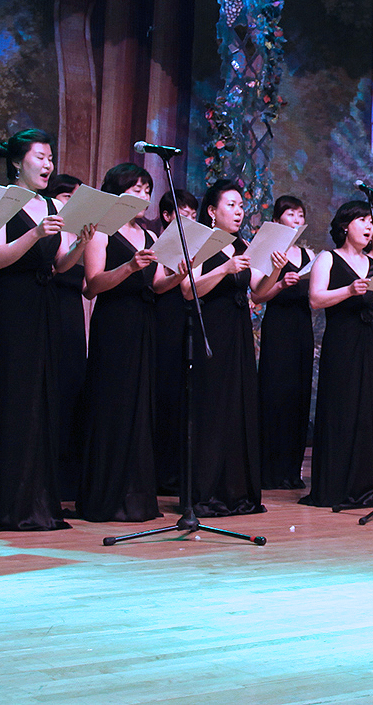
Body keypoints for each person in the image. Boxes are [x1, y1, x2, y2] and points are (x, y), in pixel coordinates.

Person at [0, 128, 84, 531]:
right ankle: (7, 503)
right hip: (11, 306)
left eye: (50, 158)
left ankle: (39, 500)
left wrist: (80, 243)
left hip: (45, 304)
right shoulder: (1, 201)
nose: (47, 164)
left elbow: (59, 264)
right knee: (13, 397)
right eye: (39, 157)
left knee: (43, 397)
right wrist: (36, 232)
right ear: (17, 162)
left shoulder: (52, 203)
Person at [173, 178, 264, 516]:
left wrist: (275, 271)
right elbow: (188, 289)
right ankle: (205, 491)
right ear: (212, 211)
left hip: (239, 333)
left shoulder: (243, 245)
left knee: (238, 405)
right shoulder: (202, 242)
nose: (239, 211)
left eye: (241, 206)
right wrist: (225, 268)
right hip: (210, 330)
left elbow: (259, 290)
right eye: (231, 205)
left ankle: (236, 491)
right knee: (211, 407)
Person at [77, 162, 162, 523]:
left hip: (145, 323)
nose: (143, 196)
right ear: (116, 192)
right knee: (112, 404)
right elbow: (92, 285)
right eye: (136, 189)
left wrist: (180, 272)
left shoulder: (151, 236)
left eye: (147, 190)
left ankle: (137, 496)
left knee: (141, 407)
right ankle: (106, 497)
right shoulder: (102, 231)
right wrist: (128, 267)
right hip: (115, 324)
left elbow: (157, 284)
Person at [302, 200, 373, 509]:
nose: (368, 227)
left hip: (371, 340)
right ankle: (334, 485)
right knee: (341, 407)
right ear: (344, 226)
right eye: (362, 220)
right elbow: (315, 299)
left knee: (368, 409)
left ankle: (364, 485)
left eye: (371, 222)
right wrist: (349, 290)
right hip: (342, 341)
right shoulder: (328, 258)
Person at [252, 195, 316, 489]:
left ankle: (292, 470)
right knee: (275, 393)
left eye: (300, 215)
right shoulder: (268, 250)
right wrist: (279, 283)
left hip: (303, 327)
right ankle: (269, 470)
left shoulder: (308, 254)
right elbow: (258, 296)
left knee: (298, 395)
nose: (297, 220)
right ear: (277, 220)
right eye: (291, 214)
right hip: (278, 328)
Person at [43, 171, 89, 504]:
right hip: (48, 309)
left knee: (73, 390)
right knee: (51, 389)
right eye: (66, 198)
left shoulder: (77, 234)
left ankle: (68, 480)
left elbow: (87, 285)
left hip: (73, 316)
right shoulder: (49, 230)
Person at [151, 189, 197, 496]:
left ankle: (177, 471)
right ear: (166, 216)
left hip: (186, 317)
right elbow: (159, 285)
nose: (189, 219)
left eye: (193, 214)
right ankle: (160, 472)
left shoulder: (193, 243)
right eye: (183, 214)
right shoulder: (156, 242)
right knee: (164, 390)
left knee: (183, 394)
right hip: (163, 317)